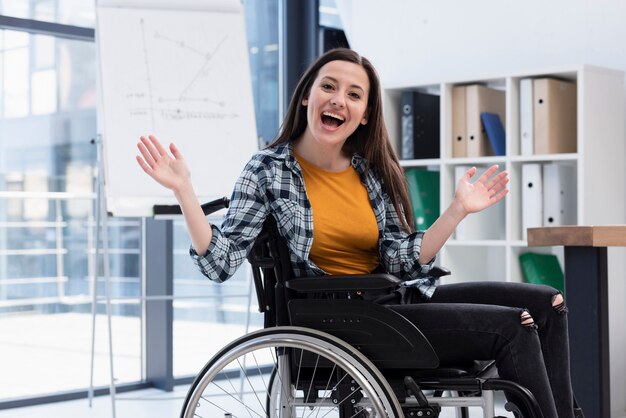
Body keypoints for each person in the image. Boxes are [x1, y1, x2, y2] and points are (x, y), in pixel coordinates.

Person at [136, 48, 581, 418]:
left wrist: (457, 211)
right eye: (329, 86)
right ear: (307, 96)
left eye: (354, 94)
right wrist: (184, 191)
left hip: (397, 300)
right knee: (512, 327)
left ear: (365, 114)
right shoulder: (268, 170)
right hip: (342, 318)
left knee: (546, 303)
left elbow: (401, 257)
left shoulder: (369, 173)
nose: (338, 100)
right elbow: (221, 261)